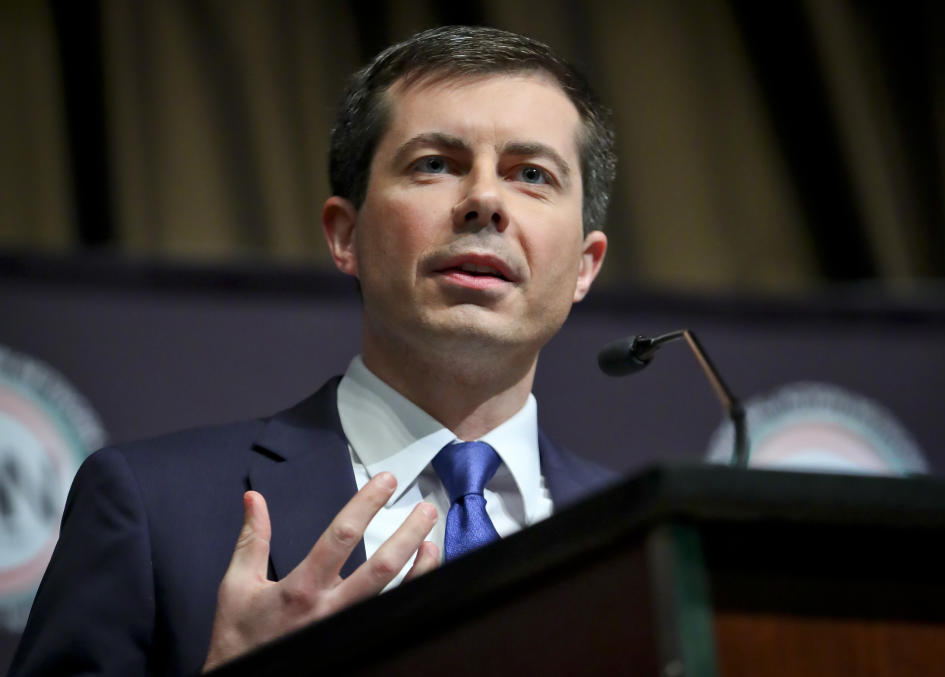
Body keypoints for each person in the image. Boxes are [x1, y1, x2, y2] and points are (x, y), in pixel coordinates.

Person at [10, 25, 617, 676]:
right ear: (344, 235)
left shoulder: (649, 537)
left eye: (531, 174)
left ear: (586, 265)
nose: (485, 202)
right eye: (435, 164)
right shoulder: (153, 509)